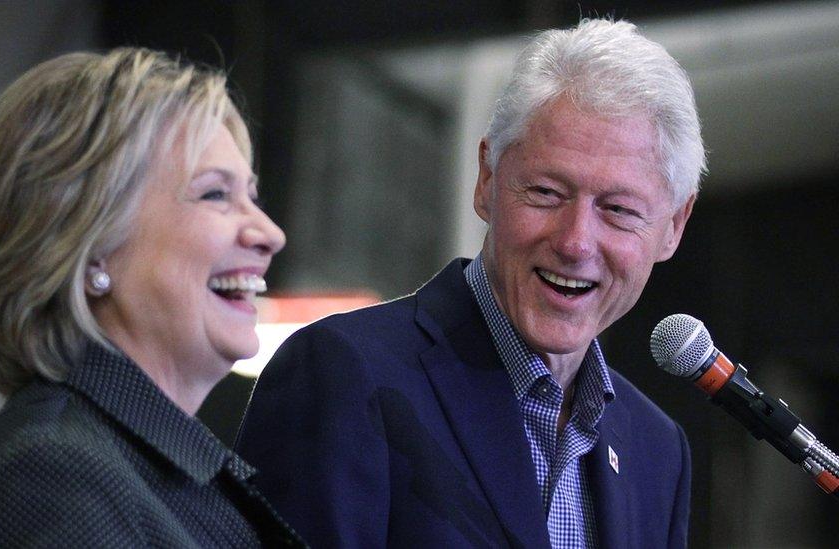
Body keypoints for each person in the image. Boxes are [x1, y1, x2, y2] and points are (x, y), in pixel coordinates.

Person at [236, 18, 703, 548]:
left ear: (673, 227)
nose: (576, 242)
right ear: (487, 180)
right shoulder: (344, 375)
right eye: (547, 192)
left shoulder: (657, 451)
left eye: (618, 210)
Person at [0, 48, 304, 547]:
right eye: (215, 195)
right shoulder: (52, 480)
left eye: (252, 195)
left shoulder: (124, 475)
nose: (270, 234)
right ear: (91, 243)